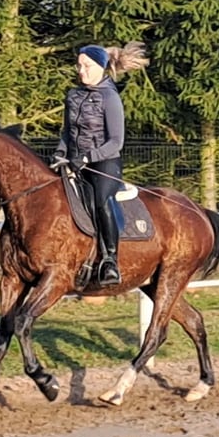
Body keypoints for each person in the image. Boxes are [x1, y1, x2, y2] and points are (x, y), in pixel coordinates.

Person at [50, 41, 149, 286]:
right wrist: (60, 152)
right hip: (75, 161)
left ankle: (110, 260)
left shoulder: (110, 97)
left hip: (104, 163)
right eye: (79, 65)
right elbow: (67, 131)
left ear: (100, 67)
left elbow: (116, 142)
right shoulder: (73, 95)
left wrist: (87, 157)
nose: (81, 71)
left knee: (101, 200)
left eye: (87, 66)